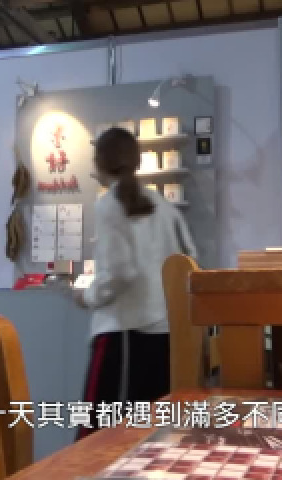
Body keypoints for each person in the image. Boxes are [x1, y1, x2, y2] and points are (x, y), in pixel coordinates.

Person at [73, 127, 197, 441]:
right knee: (153, 437)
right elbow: (189, 260)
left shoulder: (109, 204)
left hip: (123, 334)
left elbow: (120, 272)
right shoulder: (163, 205)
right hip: (163, 337)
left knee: (98, 440)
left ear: (99, 163)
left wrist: (87, 296)